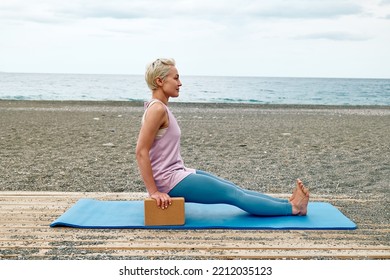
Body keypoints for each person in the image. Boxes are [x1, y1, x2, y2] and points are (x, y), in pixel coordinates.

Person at [136, 58, 309, 216]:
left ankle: (287, 203)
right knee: (233, 194)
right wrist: (154, 192)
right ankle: (293, 209)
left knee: (233, 188)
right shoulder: (157, 110)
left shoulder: (159, 108)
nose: (180, 83)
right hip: (168, 181)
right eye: (176, 78)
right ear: (160, 81)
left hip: (177, 172)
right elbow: (141, 151)